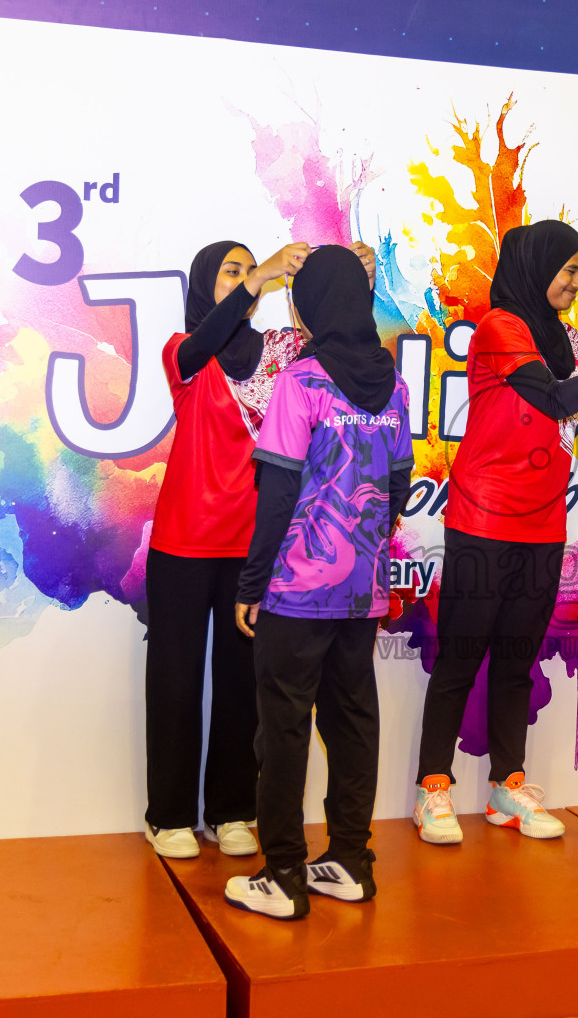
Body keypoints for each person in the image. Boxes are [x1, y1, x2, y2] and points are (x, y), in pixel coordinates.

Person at [411, 219, 578, 845]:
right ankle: (433, 789)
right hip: (483, 519)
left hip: (542, 524)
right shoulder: (502, 327)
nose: (577, 284)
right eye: (569, 271)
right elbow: (555, 401)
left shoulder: (568, 339)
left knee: (515, 660)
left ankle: (507, 787)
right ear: (539, 267)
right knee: (461, 657)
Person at [143, 238, 375, 859]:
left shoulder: (282, 354)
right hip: (184, 545)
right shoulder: (182, 352)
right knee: (175, 683)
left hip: (253, 552)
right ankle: (167, 815)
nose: (245, 279)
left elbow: (336, 338)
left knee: (245, 684)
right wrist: (265, 276)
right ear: (204, 283)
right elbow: (203, 341)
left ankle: (230, 810)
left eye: (250, 269)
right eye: (232, 271)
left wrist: (352, 279)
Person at [223, 245, 412, 920]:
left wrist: (251, 585)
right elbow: (395, 487)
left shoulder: (300, 381)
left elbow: (277, 494)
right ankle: (352, 863)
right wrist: (363, 549)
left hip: (298, 588)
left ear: (309, 305)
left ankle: (282, 872)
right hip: (362, 589)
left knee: (284, 729)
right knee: (353, 720)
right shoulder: (393, 384)